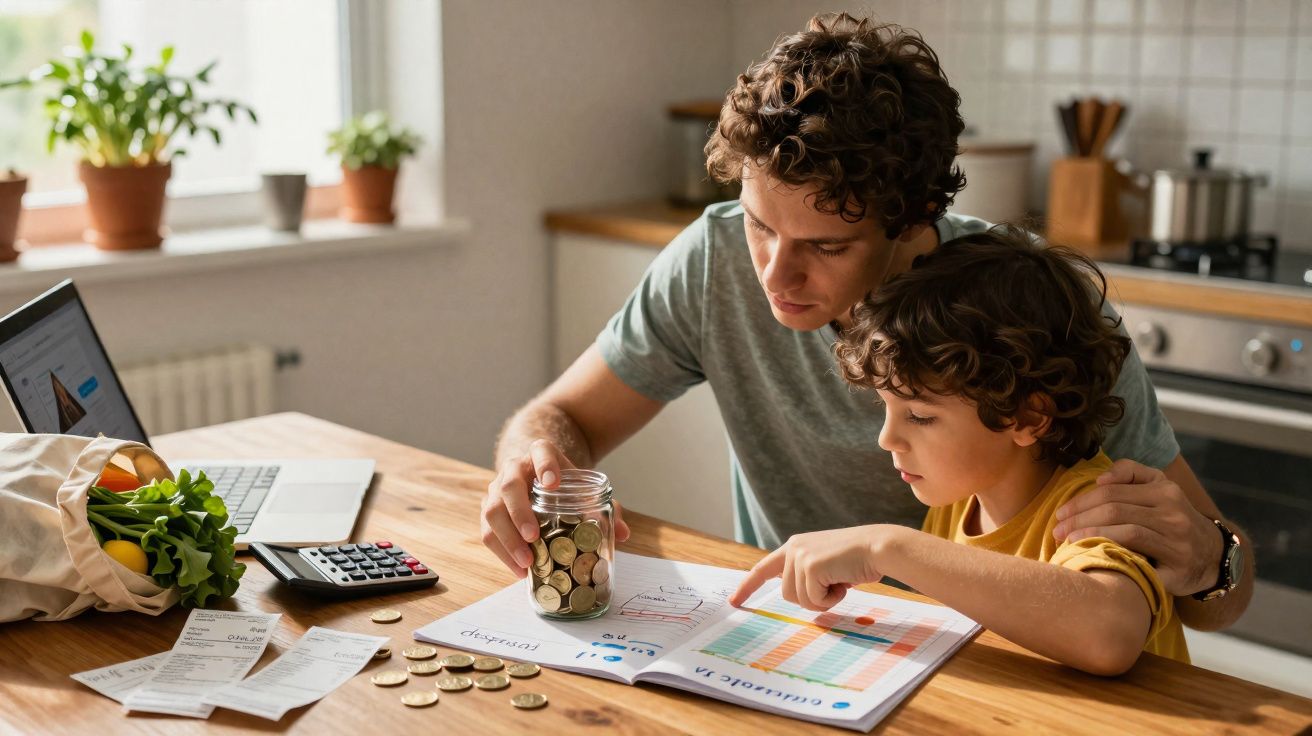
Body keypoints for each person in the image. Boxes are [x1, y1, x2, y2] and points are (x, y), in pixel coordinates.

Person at [481, 12, 1251, 632]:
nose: (774, 274)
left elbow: (1220, 597)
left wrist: (1210, 562)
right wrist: (532, 469)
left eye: (827, 245)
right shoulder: (713, 259)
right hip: (813, 645)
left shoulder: (1029, 311)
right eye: (759, 225)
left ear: (914, 219)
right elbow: (561, 417)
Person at [727, 228, 1188, 675]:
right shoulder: (962, 500)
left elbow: (1109, 635)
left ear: (1027, 418)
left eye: (920, 416)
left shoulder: (1099, 508)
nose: (887, 439)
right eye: (887, 407)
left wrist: (887, 547)